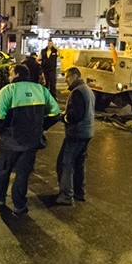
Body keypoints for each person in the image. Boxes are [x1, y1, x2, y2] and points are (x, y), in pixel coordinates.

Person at [0, 63, 61, 217]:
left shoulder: (8, 90)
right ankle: (19, 205)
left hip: (10, 141)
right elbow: (56, 113)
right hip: (32, 142)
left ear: (17, 75)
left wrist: (1, 132)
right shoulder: (41, 90)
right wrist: (42, 126)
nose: (9, 77)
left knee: (3, 170)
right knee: (23, 174)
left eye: (10, 73)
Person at [53, 66, 96, 206]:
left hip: (76, 133)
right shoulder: (88, 90)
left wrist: (65, 118)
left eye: (67, 79)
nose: (66, 82)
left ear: (74, 76)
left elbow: (75, 115)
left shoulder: (77, 92)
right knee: (79, 163)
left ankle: (66, 195)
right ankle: (79, 192)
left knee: (65, 163)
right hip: (87, 132)